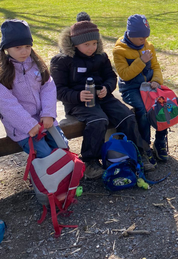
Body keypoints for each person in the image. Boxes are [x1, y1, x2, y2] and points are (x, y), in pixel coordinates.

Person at [50, 19, 150, 180]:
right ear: (75, 44)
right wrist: (78, 96)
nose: (91, 48)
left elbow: (111, 76)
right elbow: (57, 90)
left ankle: (138, 153)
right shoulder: (62, 61)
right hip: (77, 102)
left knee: (127, 116)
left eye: (94, 43)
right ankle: (90, 161)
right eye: (87, 44)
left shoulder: (100, 56)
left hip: (103, 97)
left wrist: (107, 88)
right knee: (98, 120)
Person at [0, 19, 68, 158]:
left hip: (45, 120)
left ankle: (66, 178)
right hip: (21, 127)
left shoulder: (36, 64)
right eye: (17, 48)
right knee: (44, 153)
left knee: (62, 146)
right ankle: (43, 179)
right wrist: (28, 125)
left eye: (27, 46)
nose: (24, 51)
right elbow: (6, 105)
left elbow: (48, 86)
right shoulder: (3, 72)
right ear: (6, 48)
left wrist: (48, 113)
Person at [113, 14, 168, 164]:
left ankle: (160, 141)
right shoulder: (119, 51)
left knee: (163, 105)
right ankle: (145, 147)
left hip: (149, 85)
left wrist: (156, 80)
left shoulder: (148, 46)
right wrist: (141, 61)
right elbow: (125, 75)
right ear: (131, 35)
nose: (144, 41)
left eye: (146, 37)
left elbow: (156, 67)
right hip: (131, 88)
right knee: (143, 112)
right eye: (140, 38)